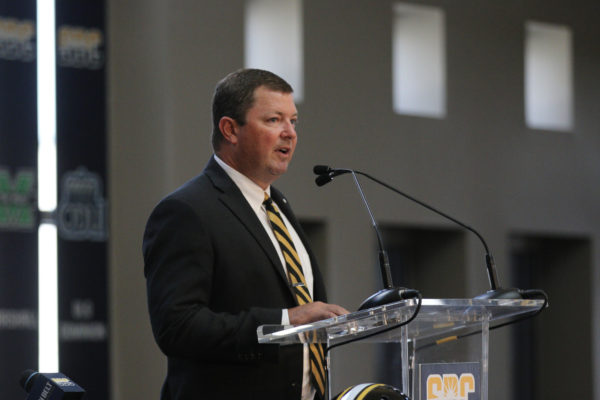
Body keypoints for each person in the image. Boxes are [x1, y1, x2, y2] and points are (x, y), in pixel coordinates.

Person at [143, 68, 349, 400]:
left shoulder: (278, 206)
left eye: (293, 122)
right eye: (273, 120)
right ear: (230, 129)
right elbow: (177, 327)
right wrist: (285, 320)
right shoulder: (187, 211)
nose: (290, 133)